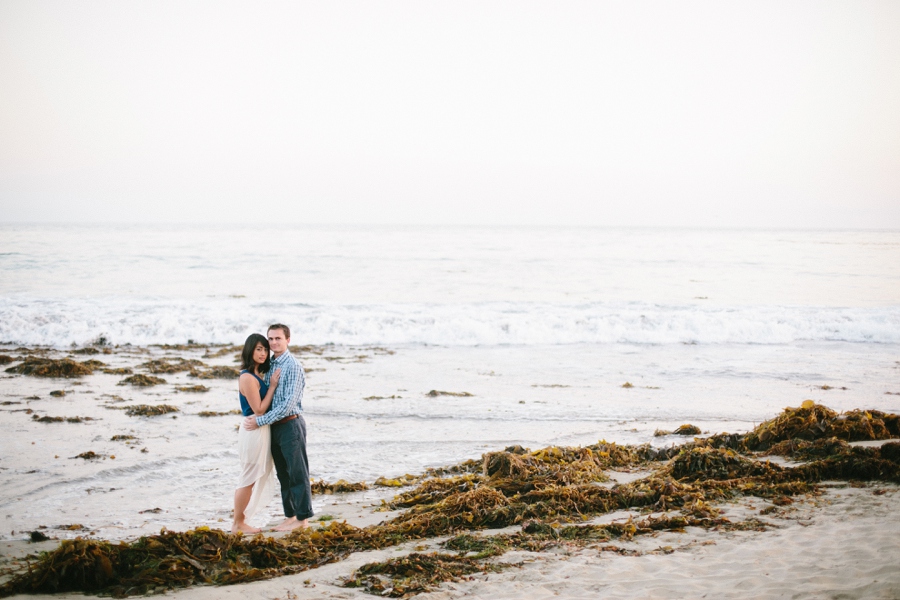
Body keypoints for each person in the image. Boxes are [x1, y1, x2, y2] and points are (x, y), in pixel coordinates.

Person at [243, 323, 313, 531]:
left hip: (291, 424)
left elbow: (287, 406)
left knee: (297, 472)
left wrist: (259, 421)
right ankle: (290, 515)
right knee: (283, 474)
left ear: (288, 340)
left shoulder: (292, 366)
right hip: (275, 427)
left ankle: (303, 519)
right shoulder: (270, 364)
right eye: (270, 339)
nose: (273, 343)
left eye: (278, 339)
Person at [233, 333, 281, 534]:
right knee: (248, 478)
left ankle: (240, 521)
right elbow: (259, 409)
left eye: (265, 349)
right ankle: (238, 523)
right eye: (258, 349)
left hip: (259, 429)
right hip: (254, 430)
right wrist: (272, 387)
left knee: (250, 477)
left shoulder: (255, 375)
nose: (263, 353)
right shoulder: (247, 377)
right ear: (249, 350)